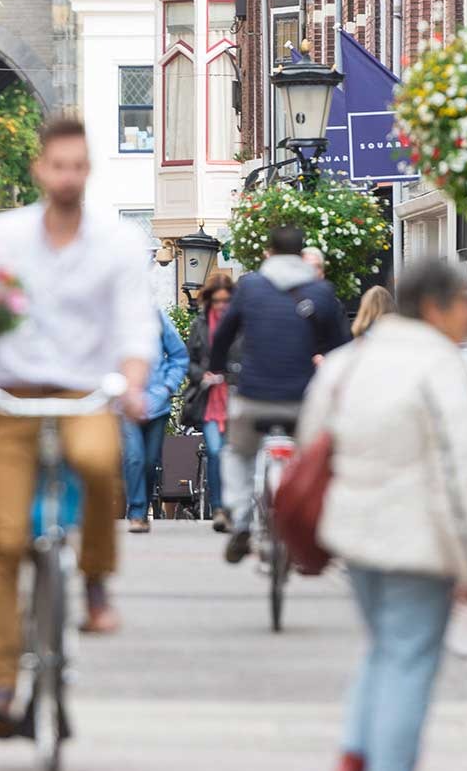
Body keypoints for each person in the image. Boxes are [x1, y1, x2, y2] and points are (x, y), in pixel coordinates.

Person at [0, 116, 157, 736]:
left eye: (78, 166)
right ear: (39, 170)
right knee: (5, 543)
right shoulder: (2, 236)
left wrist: (131, 383)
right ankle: (1, 684)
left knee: (103, 460)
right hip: (11, 397)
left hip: (84, 392)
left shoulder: (118, 242)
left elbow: (136, 325)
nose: (68, 177)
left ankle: (97, 582)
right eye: (58, 166)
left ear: (88, 171)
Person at [315, 261, 467, 771]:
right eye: (465, 301)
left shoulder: (349, 362)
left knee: (383, 648)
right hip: (419, 541)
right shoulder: (441, 368)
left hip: (355, 534)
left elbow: (313, 439)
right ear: (435, 308)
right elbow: (463, 470)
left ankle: (354, 762)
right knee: (411, 658)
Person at [206, 224, 350, 564]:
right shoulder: (321, 291)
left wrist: (217, 367)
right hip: (302, 400)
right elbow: (341, 346)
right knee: (314, 455)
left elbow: (224, 334)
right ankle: (308, 522)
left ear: (268, 251)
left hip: (254, 395)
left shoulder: (250, 287)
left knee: (237, 452)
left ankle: (241, 518)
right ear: (302, 255)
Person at [122, 309, 190, 533]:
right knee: (134, 457)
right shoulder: (112, 318)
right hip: (125, 403)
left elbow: (180, 356)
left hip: (157, 404)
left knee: (150, 461)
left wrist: (167, 387)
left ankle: (143, 506)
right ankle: (137, 512)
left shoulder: (157, 318)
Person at [182, 271, 237, 531]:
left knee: (232, 453)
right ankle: (219, 507)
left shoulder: (241, 325)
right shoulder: (200, 325)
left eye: (227, 301)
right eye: (218, 301)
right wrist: (200, 374)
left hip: (235, 397)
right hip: (209, 399)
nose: (222, 306)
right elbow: (188, 360)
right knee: (216, 451)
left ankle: (234, 504)